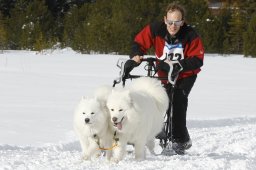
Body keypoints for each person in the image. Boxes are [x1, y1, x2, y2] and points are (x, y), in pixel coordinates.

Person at [128, 3, 204, 155]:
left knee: (177, 101)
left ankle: (180, 140)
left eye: (177, 22)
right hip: (164, 72)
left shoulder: (190, 34)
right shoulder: (156, 29)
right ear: (165, 20)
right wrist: (136, 55)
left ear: (182, 21)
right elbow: (139, 42)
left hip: (185, 75)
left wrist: (179, 65)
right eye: (170, 22)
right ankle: (150, 130)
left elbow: (197, 59)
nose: (173, 26)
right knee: (157, 100)